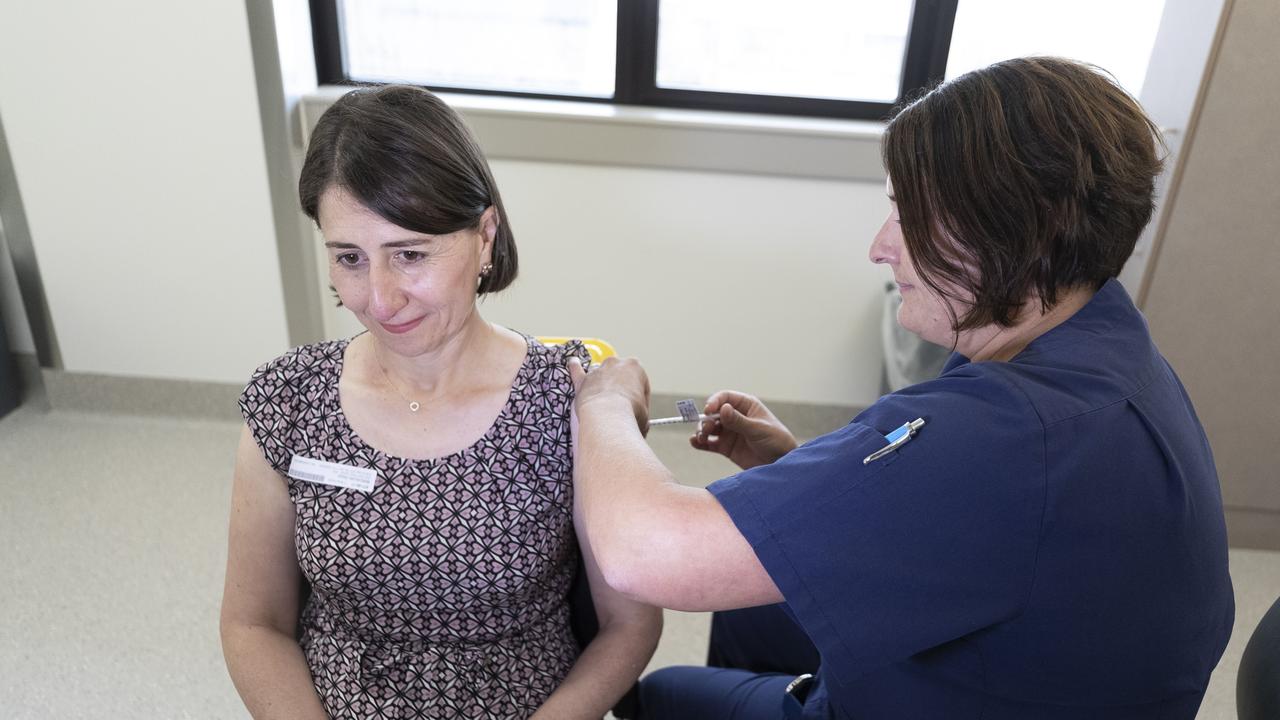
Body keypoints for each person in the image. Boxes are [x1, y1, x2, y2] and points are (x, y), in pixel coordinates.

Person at [569, 57, 1234, 719]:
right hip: (1029, 665)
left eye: (909, 214)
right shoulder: (1102, 338)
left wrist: (603, 403)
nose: (881, 247)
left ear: (1027, 228)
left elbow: (645, 553)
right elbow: (973, 515)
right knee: (755, 615)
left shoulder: (1005, 433)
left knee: (659, 697)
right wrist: (791, 468)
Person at [220, 85, 660, 719]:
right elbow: (252, 623)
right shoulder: (288, 402)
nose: (379, 296)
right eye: (349, 258)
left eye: (410, 255)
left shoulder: (570, 400)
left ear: (485, 236)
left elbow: (628, 626)